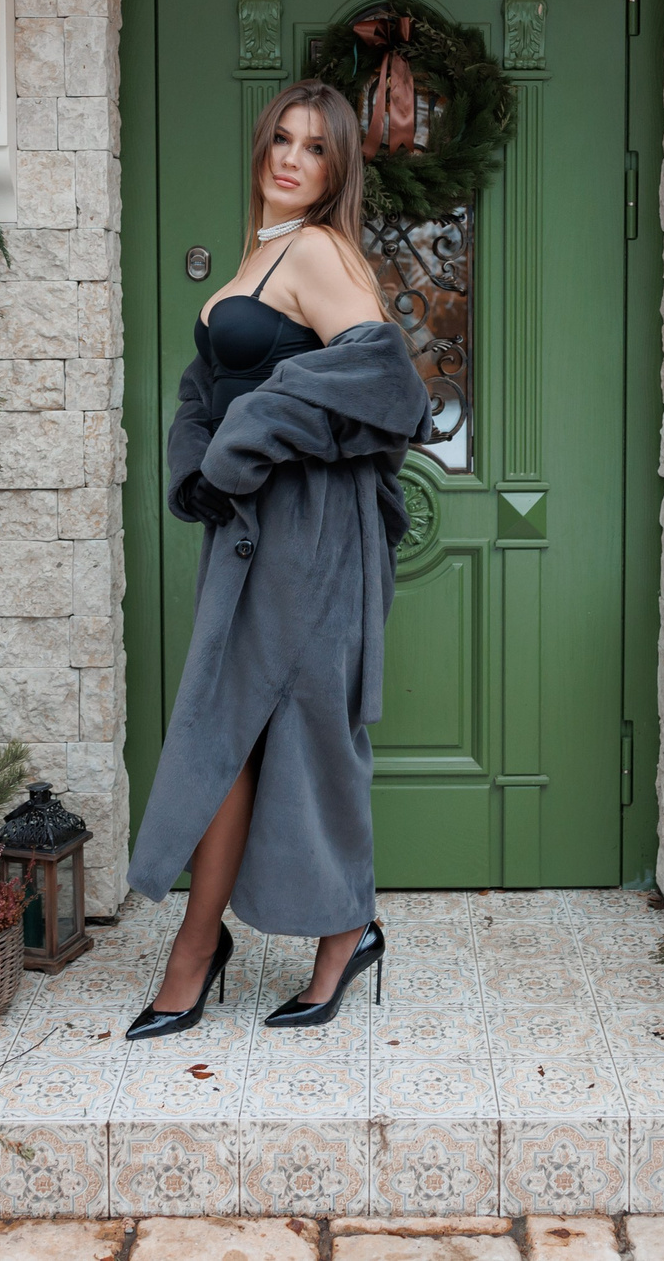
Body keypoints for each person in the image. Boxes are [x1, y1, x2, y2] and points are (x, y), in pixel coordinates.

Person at [123, 77, 434, 1036]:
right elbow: (209, 384)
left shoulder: (317, 252)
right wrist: (199, 462)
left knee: (298, 733)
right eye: (283, 139)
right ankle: (204, 943)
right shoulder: (261, 255)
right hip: (252, 530)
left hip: (310, 532)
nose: (292, 158)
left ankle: (332, 939)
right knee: (236, 734)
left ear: (336, 170)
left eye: (316, 148)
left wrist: (248, 433)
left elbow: (387, 382)